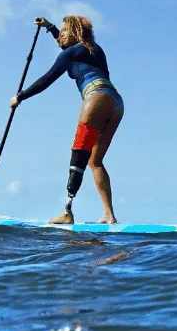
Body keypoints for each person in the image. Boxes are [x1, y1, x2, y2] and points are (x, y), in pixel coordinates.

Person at [10, 15, 123, 224]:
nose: (60, 35)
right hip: (116, 102)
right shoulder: (94, 49)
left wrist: (20, 96)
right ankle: (109, 214)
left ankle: (67, 212)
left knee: (80, 151)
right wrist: (50, 27)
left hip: (96, 96)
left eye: (64, 31)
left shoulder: (71, 53)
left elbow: (47, 79)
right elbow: (65, 46)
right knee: (95, 161)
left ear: (76, 33)